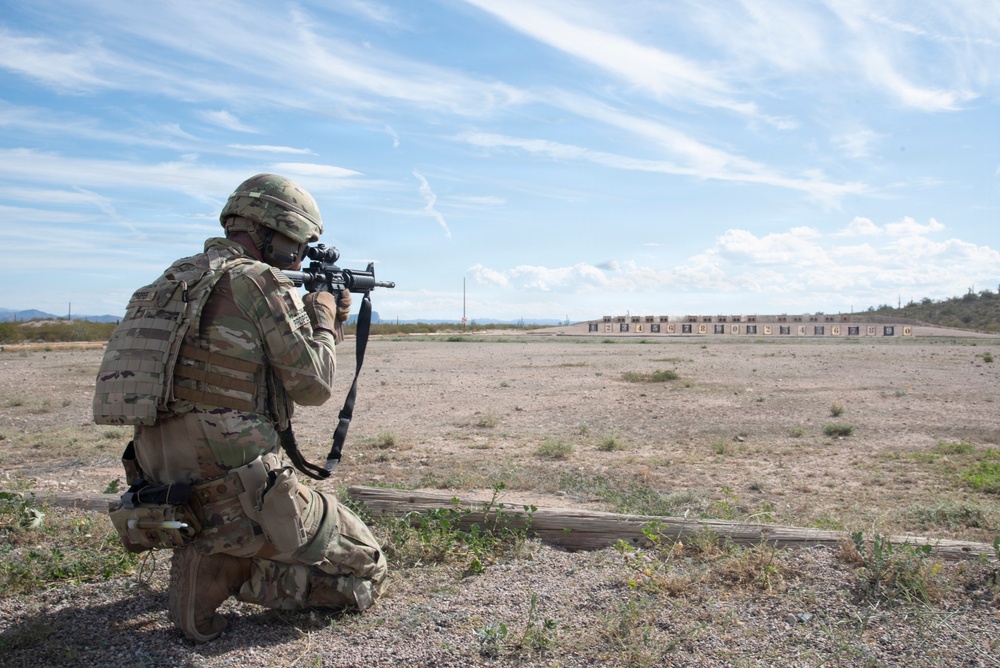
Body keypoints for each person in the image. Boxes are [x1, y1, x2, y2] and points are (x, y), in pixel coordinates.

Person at [93, 174, 387, 642]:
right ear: (268, 229)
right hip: (235, 484)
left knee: (260, 528)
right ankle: (224, 568)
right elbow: (312, 386)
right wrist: (326, 319)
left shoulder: (173, 279)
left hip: (162, 482)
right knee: (366, 568)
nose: (298, 252)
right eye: (296, 240)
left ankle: (219, 548)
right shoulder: (257, 280)